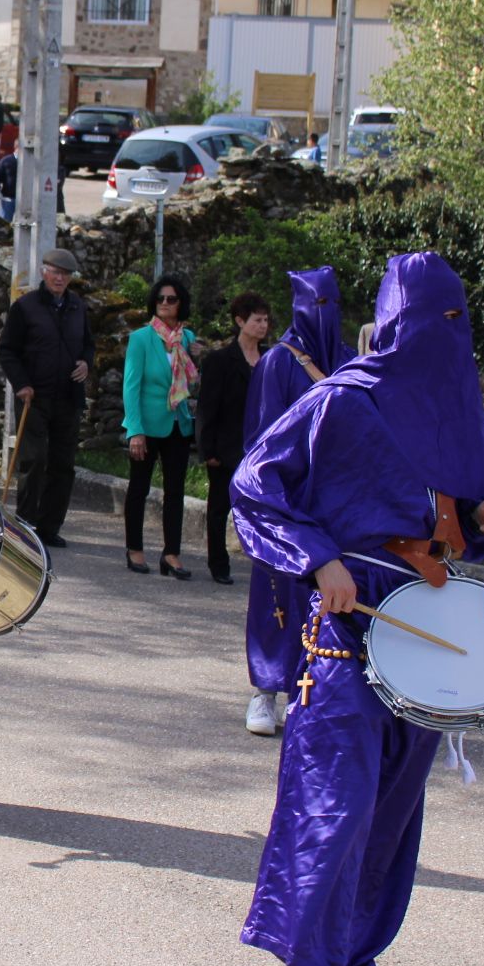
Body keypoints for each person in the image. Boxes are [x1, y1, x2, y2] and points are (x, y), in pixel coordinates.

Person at [231, 251, 484, 966]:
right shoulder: (338, 401)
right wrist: (318, 559)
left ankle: (358, 963)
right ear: (397, 323)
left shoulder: (454, 403)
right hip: (347, 636)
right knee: (340, 802)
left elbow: (446, 501)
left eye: (457, 319)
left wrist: (483, 511)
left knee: (391, 815)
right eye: (437, 319)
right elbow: (257, 483)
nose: (448, 335)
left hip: (428, 636)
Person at [241, 268, 352, 734]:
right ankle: (265, 693)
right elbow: (264, 439)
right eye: (315, 305)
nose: (322, 314)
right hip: (287, 502)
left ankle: (311, 691)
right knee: (276, 599)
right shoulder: (278, 363)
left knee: (325, 602)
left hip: (334, 505)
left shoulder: (349, 362)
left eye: (330, 305)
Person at [0, 248, 92, 550]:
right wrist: (21, 384)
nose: (60, 277)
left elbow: (88, 345)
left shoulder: (78, 307)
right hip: (34, 397)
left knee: (63, 464)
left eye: (65, 273)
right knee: (34, 460)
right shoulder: (25, 307)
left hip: (67, 396)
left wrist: (86, 363)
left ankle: (50, 527)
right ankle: (26, 524)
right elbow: (7, 350)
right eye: (54, 271)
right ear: (43, 272)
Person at [197, 292, 272, 593]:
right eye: (257, 320)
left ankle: (265, 565)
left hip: (260, 448)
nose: (263, 325)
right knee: (219, 508)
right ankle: (218, 564)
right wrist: (208, 449)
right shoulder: (219, 359)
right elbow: (207, 406)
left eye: (266, 320)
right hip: (227, 447)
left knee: (262, 511)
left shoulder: (271, 359)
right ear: (240, 321)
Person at [123, 276, 196, 577]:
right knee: (139, 488)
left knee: (174, 491)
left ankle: (171, 553)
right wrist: (134, 430)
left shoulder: (187, 339)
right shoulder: (141, 339)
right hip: (148, 425)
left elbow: (191, 379)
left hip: (178, 424)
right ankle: (135, 549)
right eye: (160, 299)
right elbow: (131, 386)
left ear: (181, 304)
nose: (165, 304)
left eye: (172, 299)